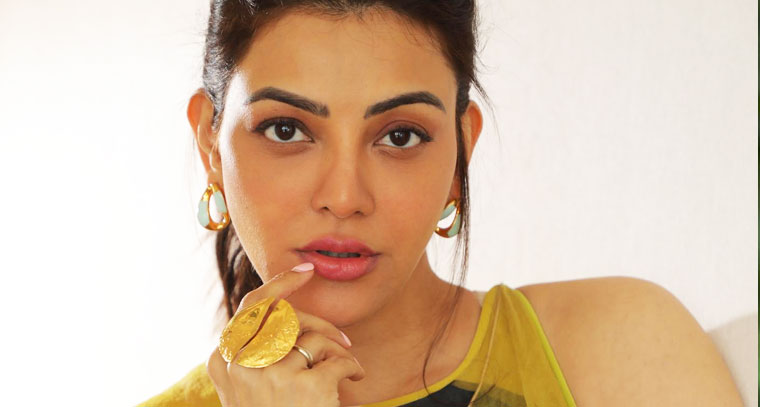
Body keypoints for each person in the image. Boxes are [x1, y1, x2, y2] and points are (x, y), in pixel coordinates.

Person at [137, 1, 744, 406]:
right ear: (210, 145)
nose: (344, 198)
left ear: (460, 152)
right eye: (286, 130)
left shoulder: (612, 345)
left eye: (400, 136)